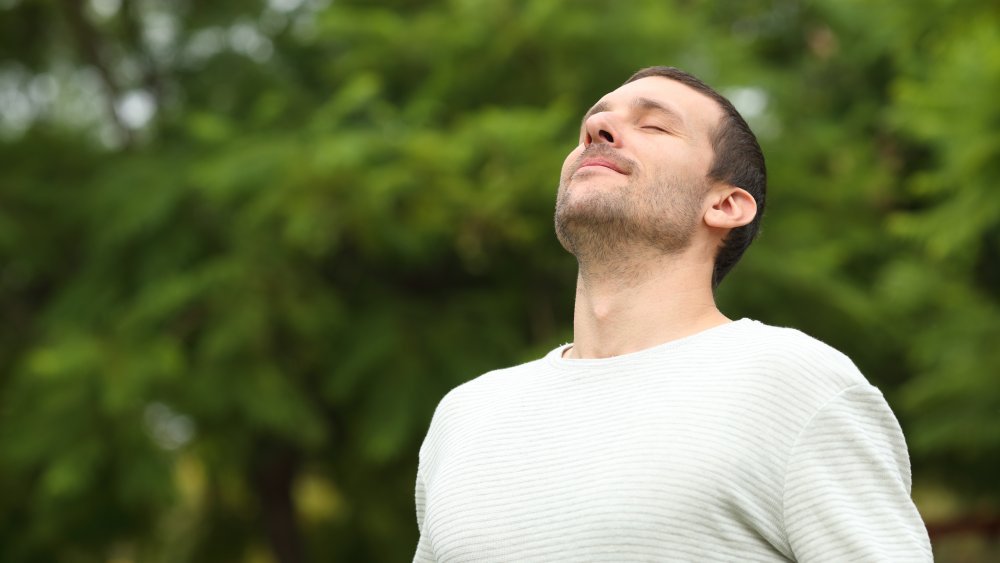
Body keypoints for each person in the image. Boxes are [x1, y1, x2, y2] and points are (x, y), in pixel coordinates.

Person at [411, 66, 932, 562]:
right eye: (594, 122)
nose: (598, 128)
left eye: (654, 124)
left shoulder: (795, 384)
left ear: (726, 205)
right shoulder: (467, 415)